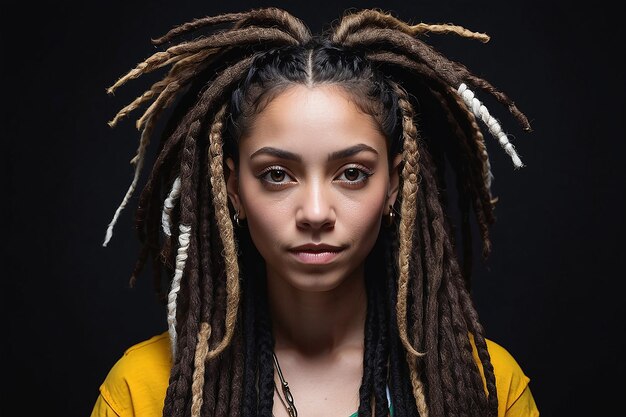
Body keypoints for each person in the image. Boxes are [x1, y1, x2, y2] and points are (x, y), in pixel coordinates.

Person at [91, 6, 539, 417]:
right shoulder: (145, 389)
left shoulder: (484, 386)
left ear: (394, 185)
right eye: (276, 175)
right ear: (233, 189)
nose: (316, 212)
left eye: (351, 173)